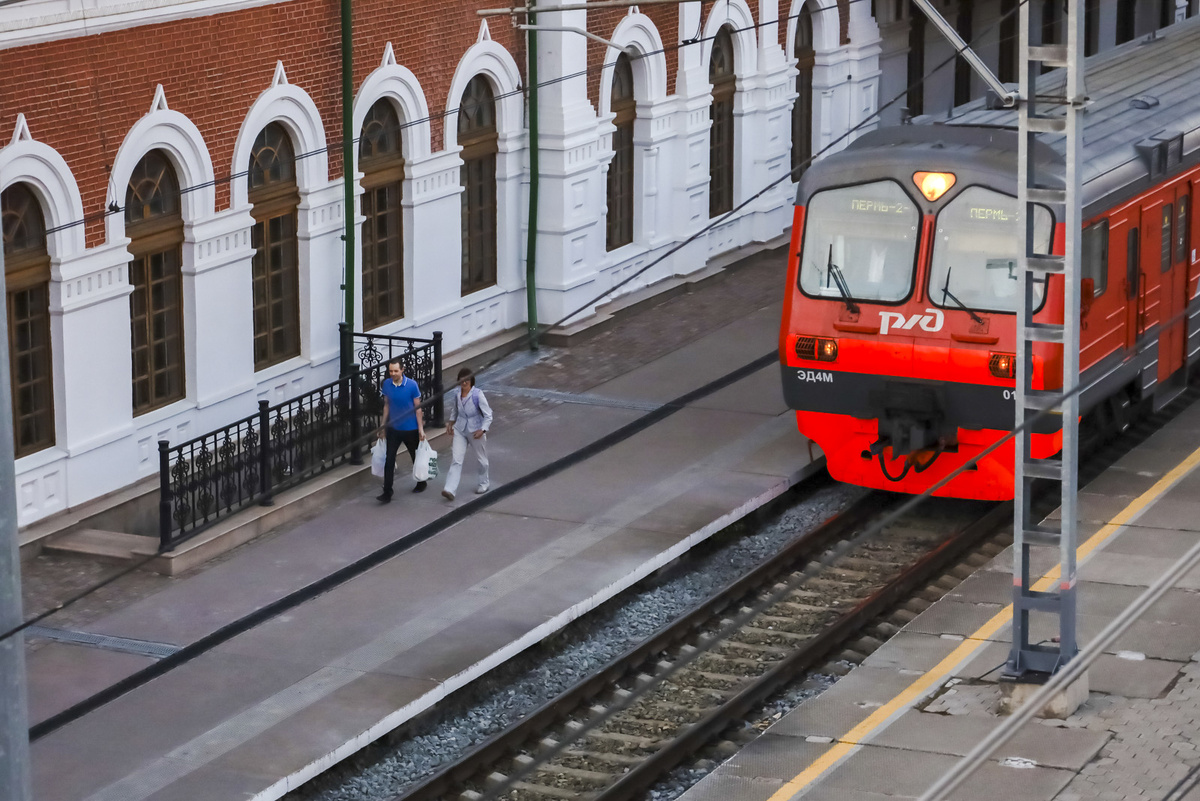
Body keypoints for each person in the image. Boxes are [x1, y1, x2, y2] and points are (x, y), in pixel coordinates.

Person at [377, 359, 426, 502]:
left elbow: (418, 409)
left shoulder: (411, 385)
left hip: (410, 429)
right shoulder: (386, 384)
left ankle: (421, 481)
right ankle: (387, 492)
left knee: (415, 457)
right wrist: (382, 426)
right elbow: (386, 406)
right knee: (389, 459)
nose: (393, 374)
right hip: (393, 428)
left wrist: (420, 429)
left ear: (402, 370)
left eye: (395, 371)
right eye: (390, 371)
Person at [441, 367, 492, 501]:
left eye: (467, 380)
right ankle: (450, 489)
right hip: (460, 429)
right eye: (461, 380)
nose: (464, 383)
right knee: (456, 459)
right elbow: (455, 409)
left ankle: (484, 482)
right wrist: (451, 423)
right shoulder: (457, 394)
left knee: (482, 460)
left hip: (476, 431)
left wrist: (483, 429)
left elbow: (488, 415)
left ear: (471, 381)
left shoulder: (477, 395)